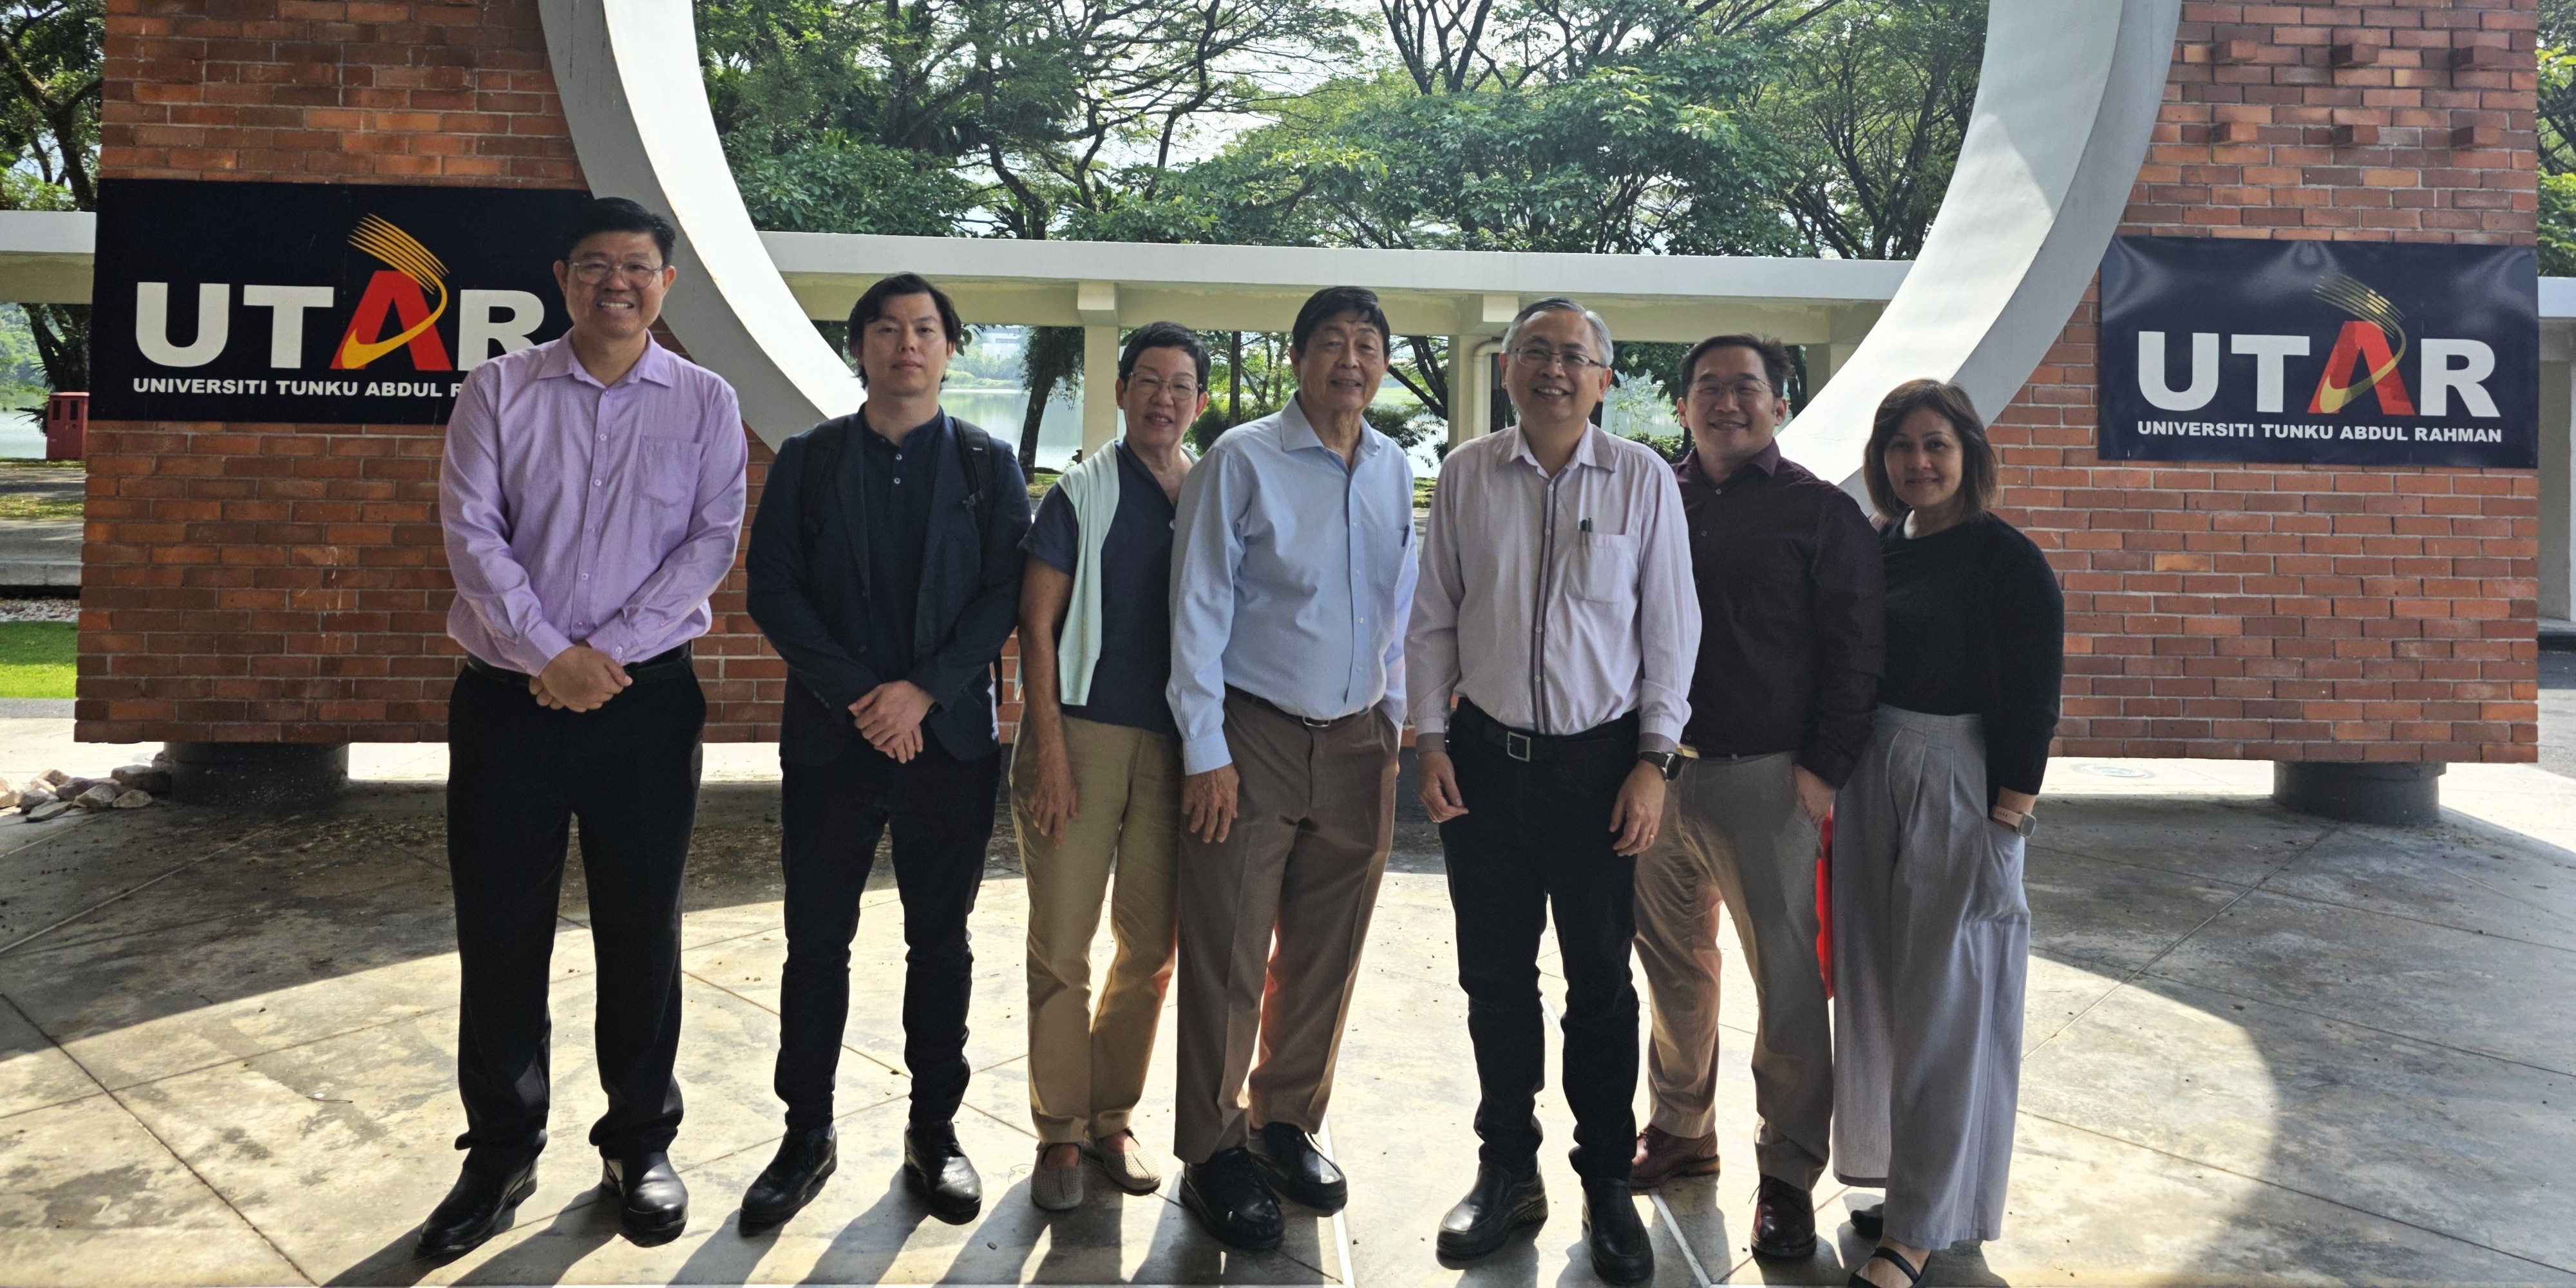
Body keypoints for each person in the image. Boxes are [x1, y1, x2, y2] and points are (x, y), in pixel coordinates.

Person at [422, 197, 748, 1257]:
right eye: (598, 265)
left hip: (642, 702)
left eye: (640, 266)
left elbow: (709, 541)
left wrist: (603, 657)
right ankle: (502, 1150)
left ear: (667, 283)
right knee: (502, 926)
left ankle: (639, 1141)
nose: (620, 282)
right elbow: (472, 535)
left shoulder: (705, 401)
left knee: (640, 926)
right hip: (508, 697)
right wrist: (548, 655)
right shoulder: (498, 389)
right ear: (563, 278)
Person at [1408, 298, 1698, 1284]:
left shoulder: (1643, 480)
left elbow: (1671, 631)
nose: (1555, 371)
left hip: (1601, 773)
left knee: (1603, 990)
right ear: (1505, 368)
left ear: (1605, 379)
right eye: (1536, 352)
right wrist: (1430, 739)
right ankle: (1506, 1171)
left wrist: (1655, 761)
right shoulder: (1466, 475)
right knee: (1495, 980)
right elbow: (1432, 618)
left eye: (1575, 357)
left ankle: (1606, 1181)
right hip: (1484, 765)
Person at [740, 272, 1032, 1228]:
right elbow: (773, 589)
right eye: (886, 329)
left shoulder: (990, 466)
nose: (907, 345)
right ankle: (805, 1132)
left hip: (946, 744)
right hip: (834, 740)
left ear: (951, 348)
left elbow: (1002, 598)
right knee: (815, 945)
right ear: (858, 346)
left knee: (938, 946)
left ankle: (934, 1131)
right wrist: (865, 697)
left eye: (925, 329)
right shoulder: (812, 461)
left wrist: (923, 693)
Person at [1166, 285, 1417, 1249]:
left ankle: (1284, 1121)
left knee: (1326, 949)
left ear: (1384, 363)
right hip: (1254, 731)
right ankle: (1212, 1146)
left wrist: (1393, 725)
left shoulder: (1394, 467)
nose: (1349, 361)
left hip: (1360, 738)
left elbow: (1396, 610)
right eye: (1330, 344)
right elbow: (1198, 609)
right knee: (1228, 946)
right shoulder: (1242, 460)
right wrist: (1206, 749)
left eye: (1366, 345)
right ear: (1298, 357)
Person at [1630, 334, 1883, 1260]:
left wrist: (1821, 771)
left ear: (1779, 403)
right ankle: (1681, 1128)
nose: (1726, 402)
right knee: (1671, 969)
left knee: (1784, 989)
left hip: (1768, 783)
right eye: (1708, 388)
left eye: (1747, 387)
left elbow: (1858, 652)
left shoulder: (1820, 513)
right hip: (1657, 778)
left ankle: (1784, 1176)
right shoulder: (1649, 493)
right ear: (1683, 404)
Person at [1832, 379, 2061, 1288]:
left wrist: (2009, 819)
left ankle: (1922, 1229)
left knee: (1949, 1006)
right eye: (1900, 447)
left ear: (1970, 451)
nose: (1917, 463)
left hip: (1961, 775)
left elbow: (2036, 697)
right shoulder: (1886, 545)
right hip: (1872, 768)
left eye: (1936, 445)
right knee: (1882, 995)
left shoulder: (2008, 560)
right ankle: (1903, 1182)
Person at [1014, 322, 1207, 1211]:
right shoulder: (1081, 494)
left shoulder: (1209, 493)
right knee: (1063, 943)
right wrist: (1048, 748)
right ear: (1124, 392)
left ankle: (1112, 1115)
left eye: (1181, 385)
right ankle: (1059, 1130)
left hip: (1179, 746)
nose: (1164, 398)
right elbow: (1038, 629)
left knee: (1152, 947)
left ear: (1199, 403)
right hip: (1081, 736)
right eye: (1149, 381)